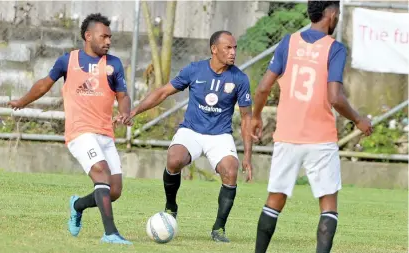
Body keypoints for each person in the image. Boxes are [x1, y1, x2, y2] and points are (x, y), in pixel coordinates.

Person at [250, 1, 373, 252]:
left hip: (287, 135)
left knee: (275, 200)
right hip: (320, 138)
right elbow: (335, 97)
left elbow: (263, 87)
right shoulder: (335, 49)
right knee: (328, 204)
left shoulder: (289, 42)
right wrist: (359, 120)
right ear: (331, 13)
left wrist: (256, 116)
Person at [8, 13, 133, 245]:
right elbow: (45, 83)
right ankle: (111, 233)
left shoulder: (113, 64)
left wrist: (125, 112)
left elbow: (123, 96)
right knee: (101, 173)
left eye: (110, 37)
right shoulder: (68, 61)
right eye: (103, 36)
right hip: (79, 132)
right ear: (88, 36)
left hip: (105, 134)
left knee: (113, 191)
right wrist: (22, 101)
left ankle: (77, 205)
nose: (108, 41)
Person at [125, 30, 253, 243]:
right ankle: (171, 206)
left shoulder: (239, 78)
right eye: (228, 48)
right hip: (191, 130)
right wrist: (134, 111)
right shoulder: (194, 70)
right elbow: (162, 92)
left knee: (230, 172)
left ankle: (218, 229)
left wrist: (247, 155)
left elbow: (247, 118)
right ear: (214, 49)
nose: (233, 53)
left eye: (235, 48)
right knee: (174, 159)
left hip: (220, 135)